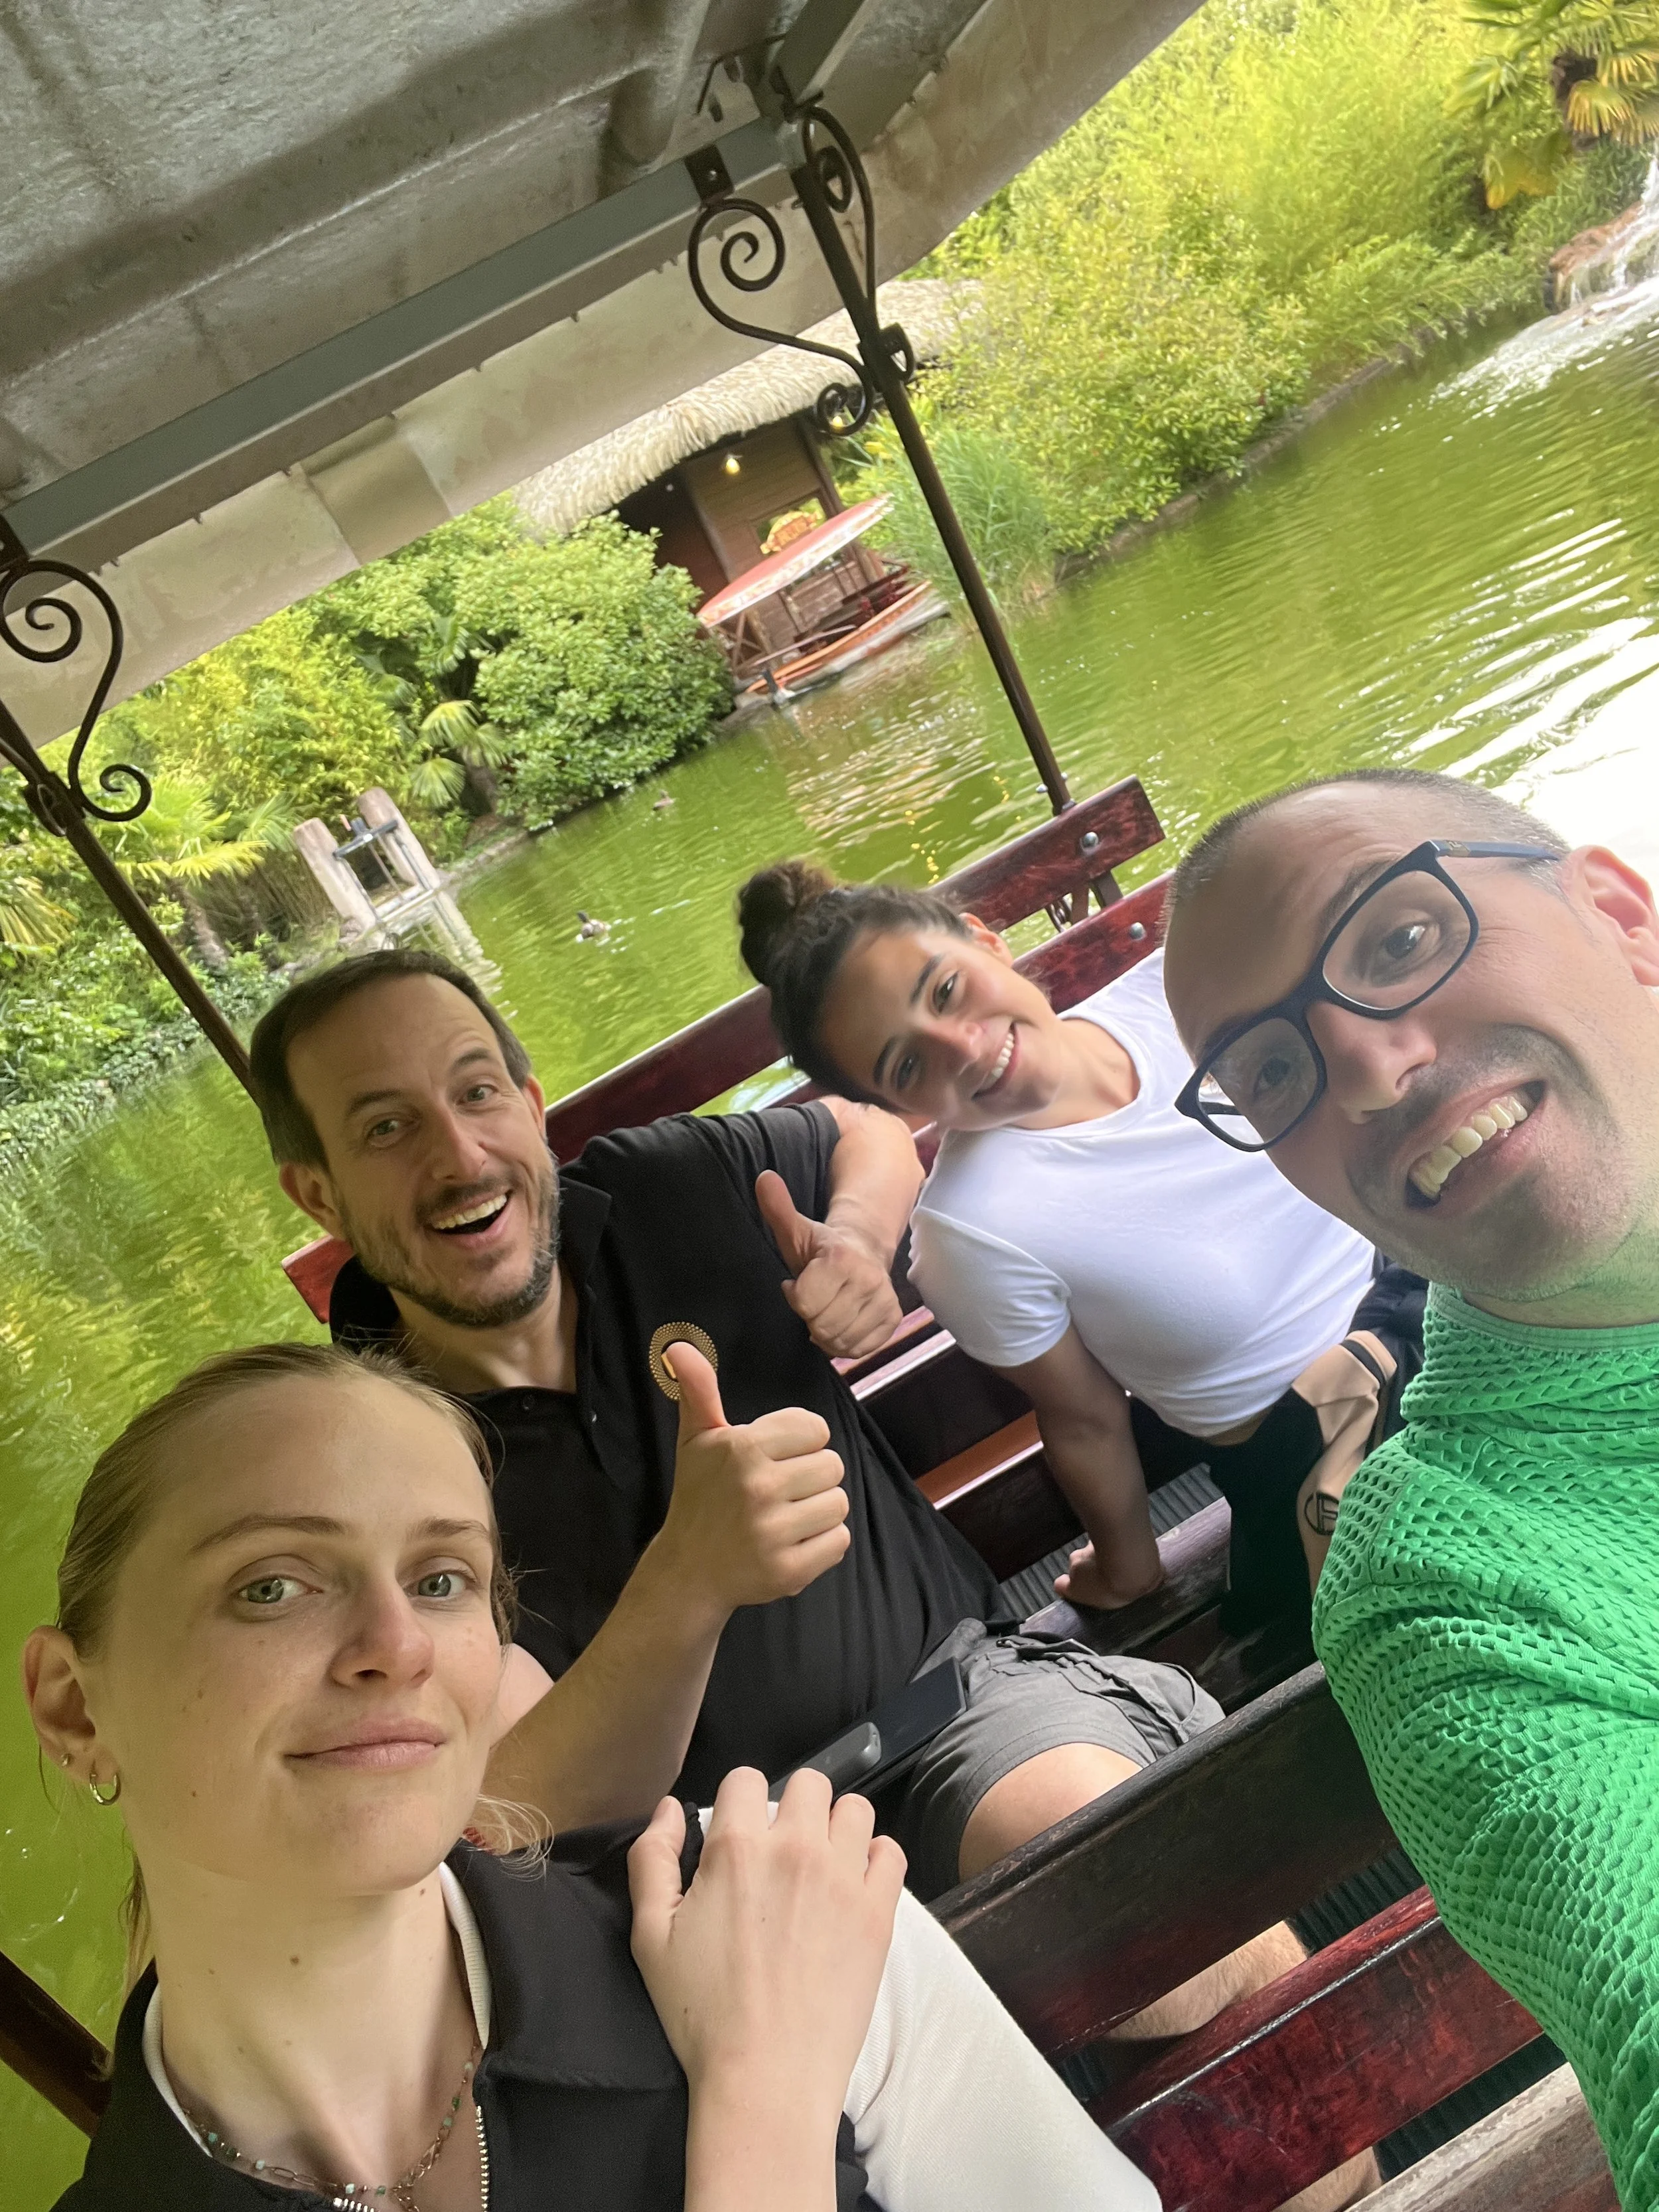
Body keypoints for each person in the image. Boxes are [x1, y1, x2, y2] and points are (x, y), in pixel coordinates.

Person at [245, 949, 1309, 2051]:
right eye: (384, 1127)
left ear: (526, 1103)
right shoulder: (360, 1464)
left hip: (959, 1717)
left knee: (1164, 1919)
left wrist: (854, 1232)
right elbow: (502, 1814)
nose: (459, 1157)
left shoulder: (664, 1187)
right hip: (706, 1900)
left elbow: (870, 1130)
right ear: (317, 1190)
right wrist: (690, 1582)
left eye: (475, 1092)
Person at [24, 1341, 1156, 2211]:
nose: (397, 1642)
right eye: (270, 1583)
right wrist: (761, 2118)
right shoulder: (779, 1998)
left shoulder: (764, 1907)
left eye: (440, 1578)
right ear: (76, 1705)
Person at [1158, 765, 1659, 2212]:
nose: (1367, 1070)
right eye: (1273, 1071)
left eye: (1393, 939)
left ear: (1617, 911)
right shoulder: (1440, 1585)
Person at [735, 861, 1420, 1629]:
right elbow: (1084, 1417)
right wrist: (1129, 1569)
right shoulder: (971, 1232)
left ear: (984, 942)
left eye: (945, 990)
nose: (959, 1046)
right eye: (907, 1065)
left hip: (1462, 1309)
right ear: (891, 1105)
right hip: (1331, 1463)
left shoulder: (1175, 996)